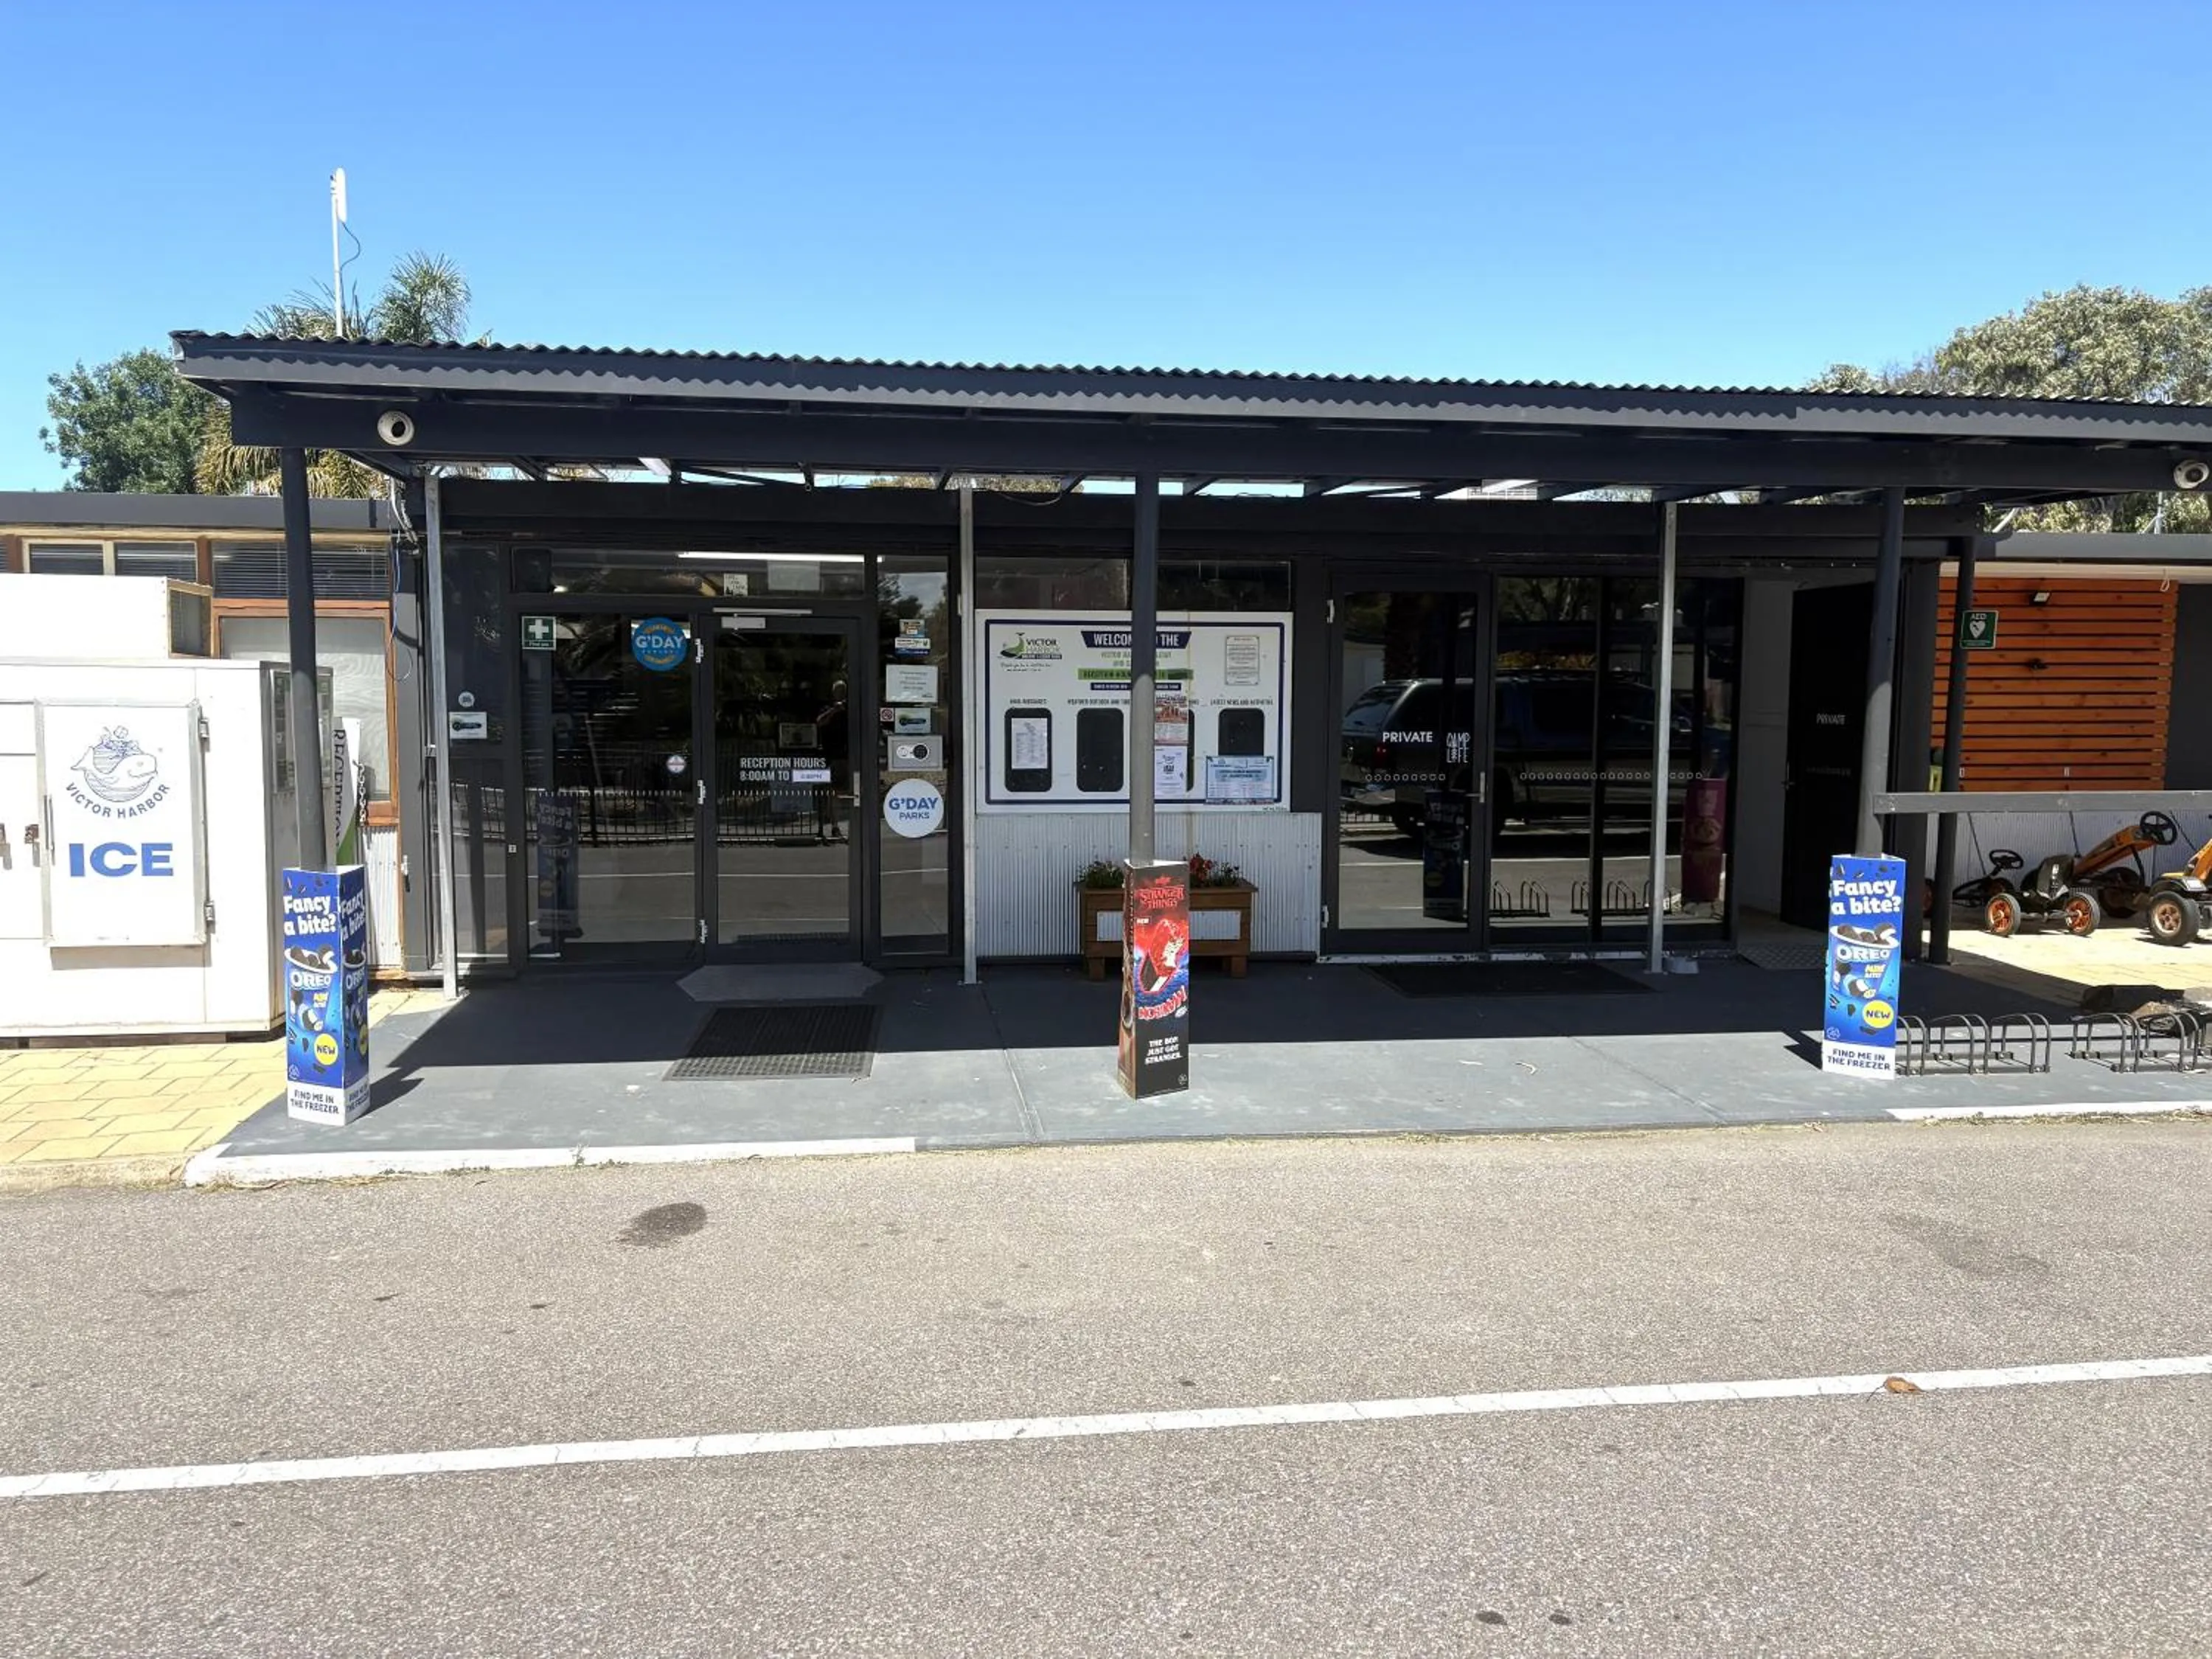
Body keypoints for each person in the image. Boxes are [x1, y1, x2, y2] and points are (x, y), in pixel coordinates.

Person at [814, 679, 849, 843]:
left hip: (847, 755)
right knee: (831, 792)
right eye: (838, 691)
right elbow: (820, 722)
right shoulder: (828, 708)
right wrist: (834, 711)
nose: (840, 694)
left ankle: (842, 825)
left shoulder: (850, 707)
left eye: (843, 691)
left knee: (844, 792)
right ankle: (834, 826)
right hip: (831, 755)